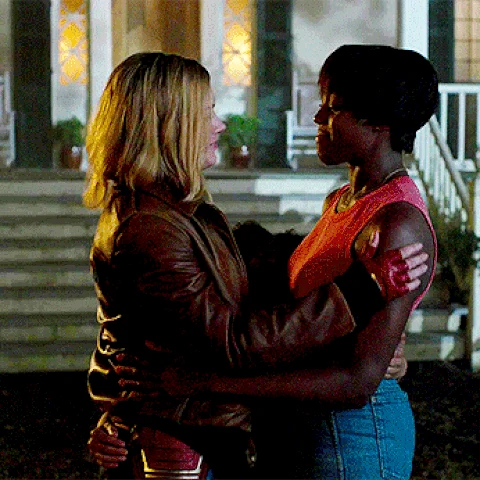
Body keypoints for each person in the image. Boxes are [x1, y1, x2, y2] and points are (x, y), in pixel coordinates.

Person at [84, 50, 430, 480]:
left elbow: (356, 378)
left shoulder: (394, 223)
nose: (220, 125)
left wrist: (373, 323)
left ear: (379, 125)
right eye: (207, 112)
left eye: (333, 106)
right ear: (169, 125)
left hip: (347, 433)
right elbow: (193, 334)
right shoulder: (153, 225)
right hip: (210, 431)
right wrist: (121, 407)